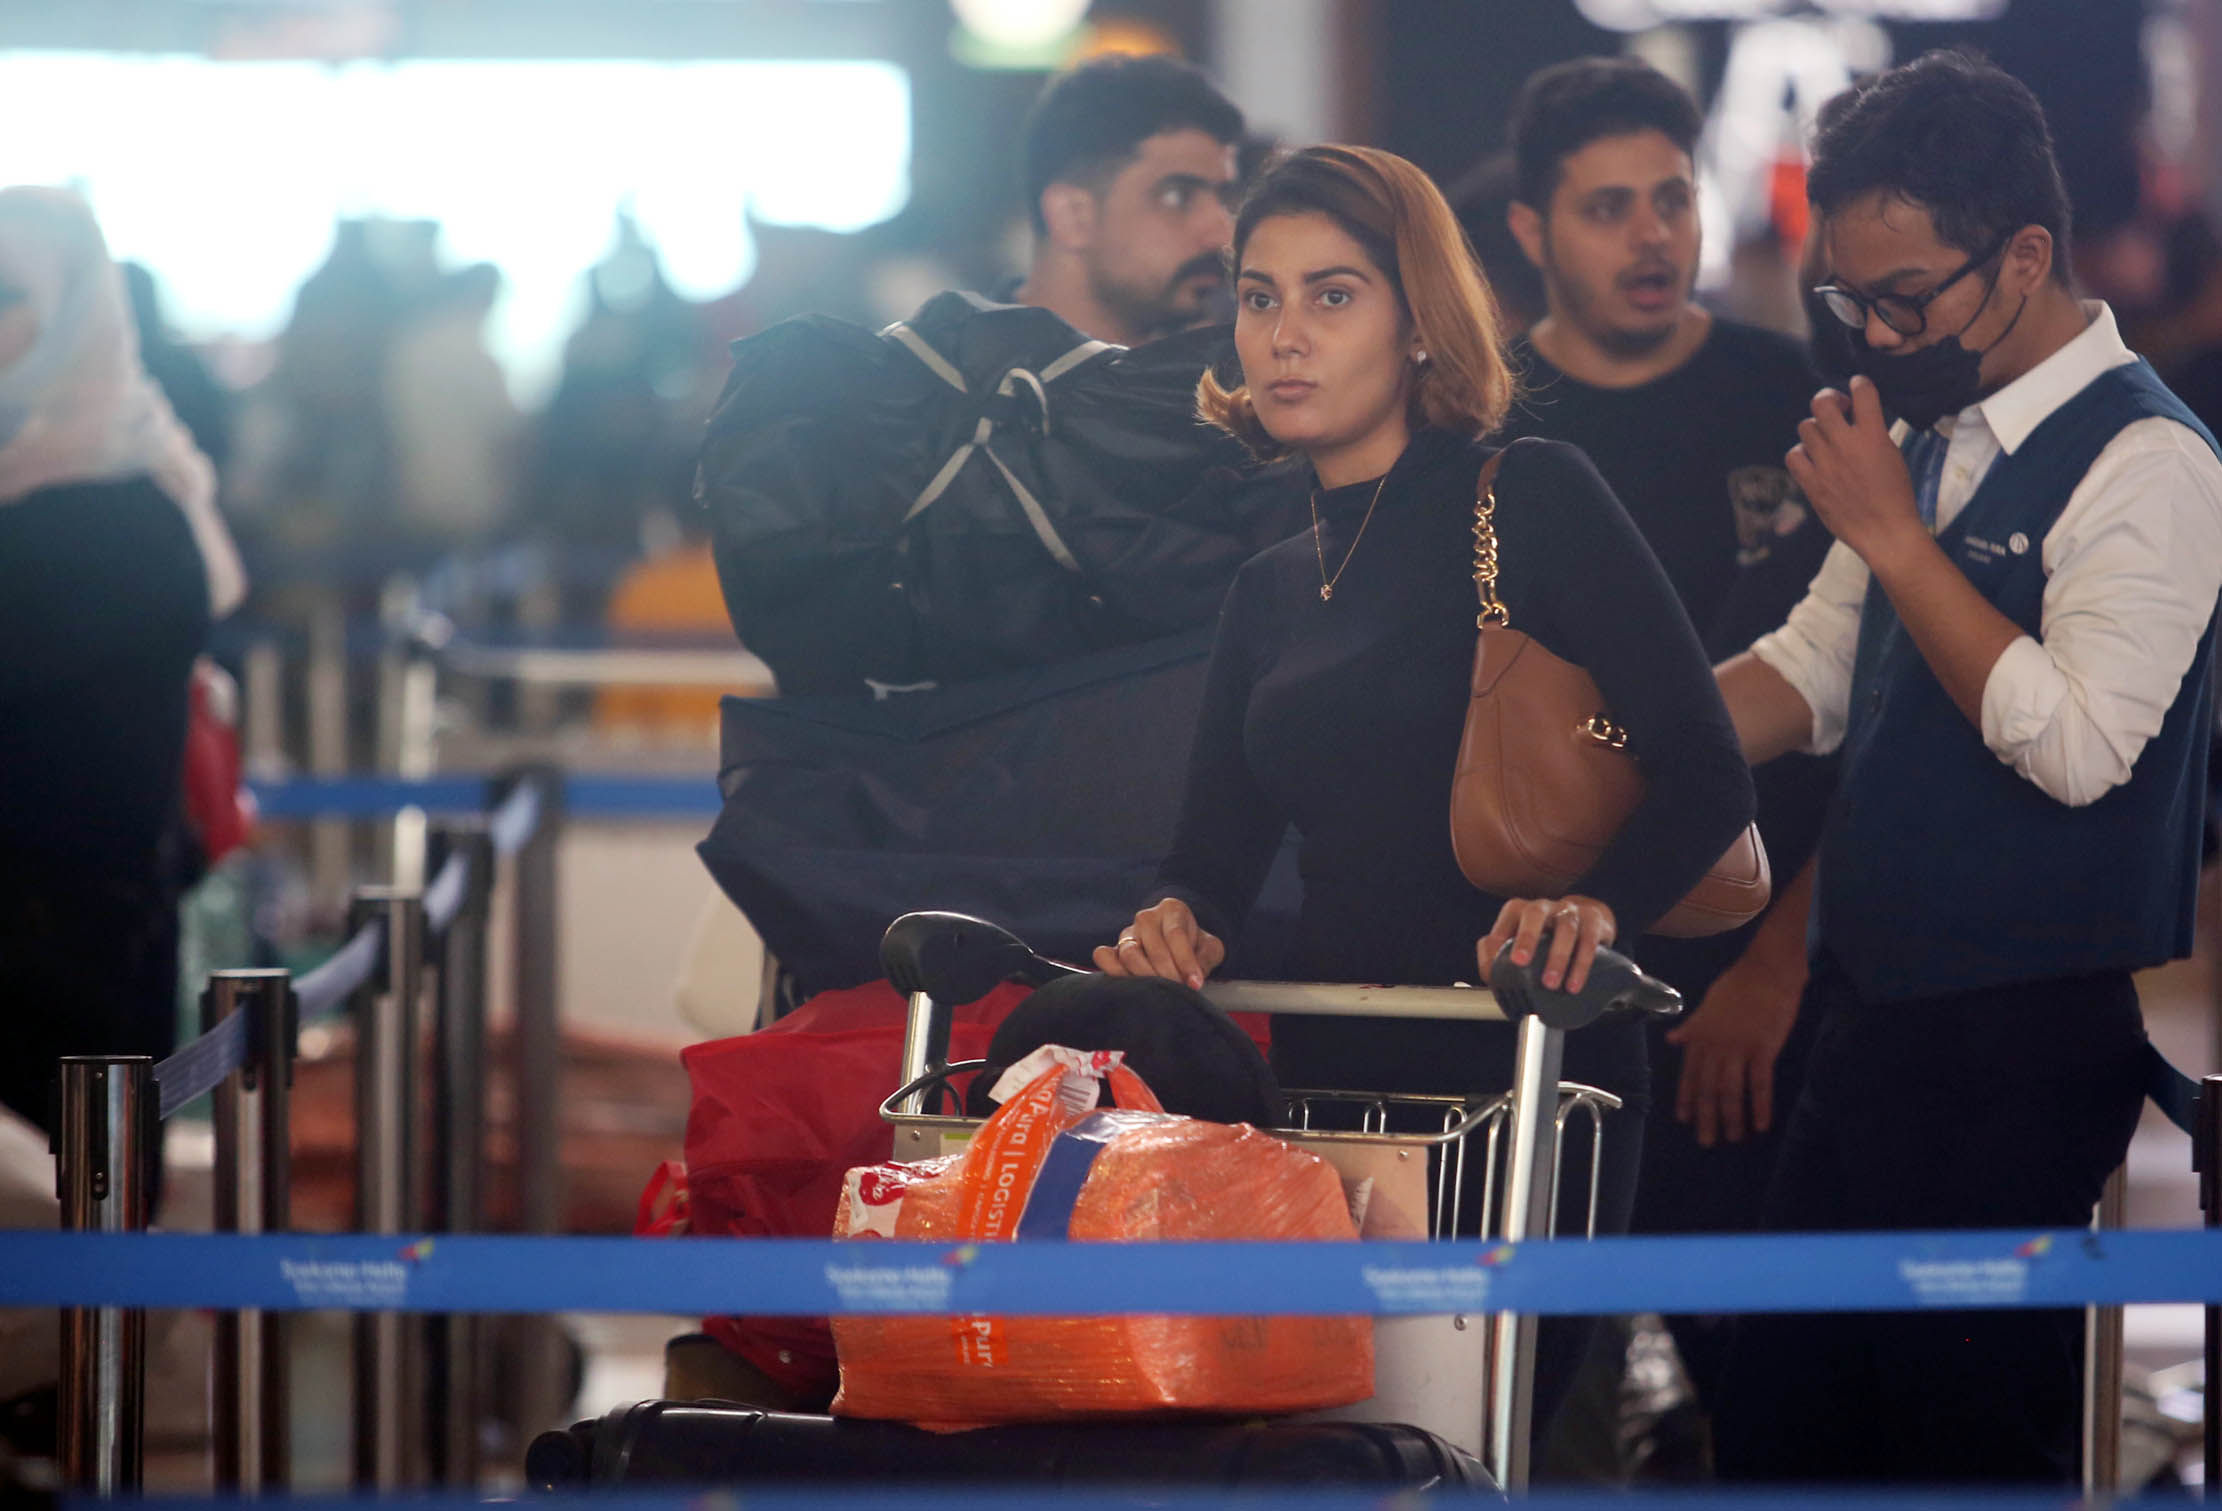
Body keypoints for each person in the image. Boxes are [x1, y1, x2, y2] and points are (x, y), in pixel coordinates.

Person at [1095, 143, 1755, 1441]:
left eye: (1332, 295)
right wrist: (1176, 916)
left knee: (1498, 1446)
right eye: (1258, 295)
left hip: (1534, 1063)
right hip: (1336, 1081)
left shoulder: (1531, 497)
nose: (1284, 335)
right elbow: (1210, 856)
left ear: (1417, 321)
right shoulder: (1268, 582)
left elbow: (1706, 770)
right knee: (1350, 1449)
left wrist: (1593, 909)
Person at [1710, 51, 2222, 1485]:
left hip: (2015, 1046)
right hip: (1864, 1019)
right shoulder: (1931, 440)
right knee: (1774, 1433)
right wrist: (1620, 733)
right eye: (1847, 301)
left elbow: (2074, 743)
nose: (1870, 334)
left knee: (1962, 1448)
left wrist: (1892, 538)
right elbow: (1810, 671)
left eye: (1903, 298)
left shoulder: (2151, 462)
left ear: (2023, 257)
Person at [1491, 55, 1838, 1415]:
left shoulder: (1793, 397)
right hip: (1545, 958)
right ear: (1528, 232)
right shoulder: (1484, 424)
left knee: (1762, 1377)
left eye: (1669, 199)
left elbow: (1873, 714)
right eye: (1604, 208)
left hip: (1766, 974)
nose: (1650, 237)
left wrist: (1776, 958)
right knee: (1533, 1382)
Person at [0, 187, 244, 1144]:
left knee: (76, 1263)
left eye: (9, 295)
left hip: (64, 952)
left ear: (75, 318)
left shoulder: (111, 513)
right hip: (62, 929)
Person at [1010, 53, 1243, 345]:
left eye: (1224, 198)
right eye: (1177, 197)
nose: (1224, 235)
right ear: (1072, 216)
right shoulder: (957, 383)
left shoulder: (1219, 380)